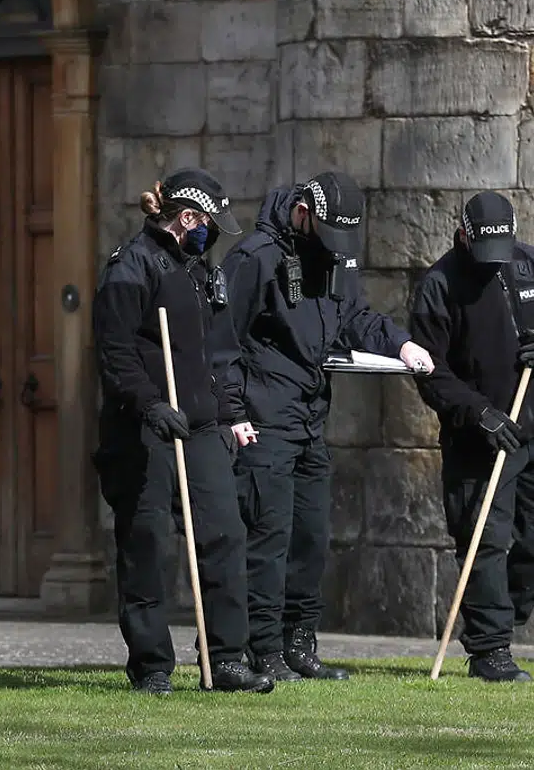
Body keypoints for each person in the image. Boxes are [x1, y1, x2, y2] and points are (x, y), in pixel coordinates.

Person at [207, 170, 435, 683]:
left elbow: (353, 315)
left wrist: (400, 344)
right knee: (269, 538)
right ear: (304, 213)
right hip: (264, 420)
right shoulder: (255, 258)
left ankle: (298, 641)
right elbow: (221, 341)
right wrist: (233, 413)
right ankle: (259, 648)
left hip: (310, 416)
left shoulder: (334, 253)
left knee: (311, 536)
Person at [91, 168, 274, 695]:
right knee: (148, 547)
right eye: (208, 224)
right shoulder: (132, 267)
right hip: (143, 431)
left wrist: (227, 412)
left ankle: (226, 660)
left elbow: (215, 354)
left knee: (224, 535)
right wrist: (150, 404)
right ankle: (151, 667)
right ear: (187, 217)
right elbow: (115, 354)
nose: (212, 234)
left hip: (201, 429)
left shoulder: (198, 271)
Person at [409, 191, 534, 683]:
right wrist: (477, 412)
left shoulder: (529, 265)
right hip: (478, 439)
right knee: (484, 542)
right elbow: (428, 370)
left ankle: (504, 615)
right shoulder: (438, 285)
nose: (491, 262)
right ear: (463, 235)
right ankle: (489, 650)